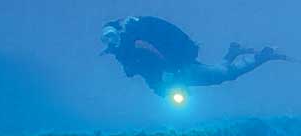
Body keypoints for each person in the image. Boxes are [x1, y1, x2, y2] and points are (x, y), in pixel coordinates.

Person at [100, 16, 288, 97]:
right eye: (105, 38)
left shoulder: (135, 43)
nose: (109, 41)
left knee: (224, 75)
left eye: (110, 35)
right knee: (218, 73)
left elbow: (154, 53)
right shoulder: (124, 53)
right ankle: (233, 52)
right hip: (172, 78)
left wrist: (169, 69)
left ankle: (262, 56)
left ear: (119, 32)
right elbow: (142, 71)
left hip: (179, 71)